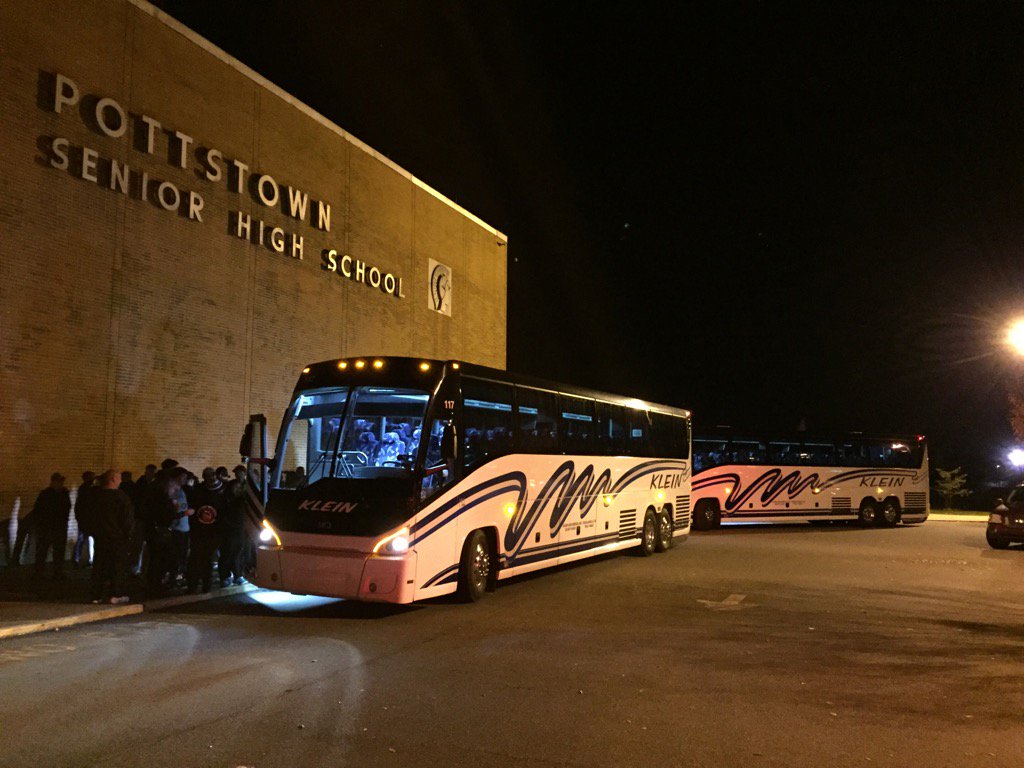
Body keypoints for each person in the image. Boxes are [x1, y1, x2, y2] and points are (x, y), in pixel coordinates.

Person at [90, 470, 134, 604]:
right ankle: (116, 593)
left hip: (100, 536)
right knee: (117, 565)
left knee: (99, 565)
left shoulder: (95, 496)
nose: (120, 481)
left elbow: (87, 515)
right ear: (113, 479)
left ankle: (96, 594)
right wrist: (128, 535)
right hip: (117, 537)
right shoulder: (121, 497)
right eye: (119, 479)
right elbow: (127, 519)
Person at [187, 467, 227, 593]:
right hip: (199, 530)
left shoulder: (223, 490)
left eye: (213, 475)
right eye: (208, 476)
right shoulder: (199, 490)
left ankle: (206, 586)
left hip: (214, 531)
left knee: (208, 560)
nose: (211, 478)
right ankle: (192, 585)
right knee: (195, 559)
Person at [143, 470, 182, 596]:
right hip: (160, 532)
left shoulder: (153, 494)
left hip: (155, 530)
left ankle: (154, 584)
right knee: (162, 559)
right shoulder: (163, 498)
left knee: (156, 559)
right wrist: (178, 513)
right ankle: (156, 585)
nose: (175, 490)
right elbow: (165, 516)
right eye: (173, 487)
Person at [31, 472, 72, 578]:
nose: (61, 484)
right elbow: (38, 510)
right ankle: (39, 572)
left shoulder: (63, 493)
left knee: (57, 550)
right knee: (43, 550)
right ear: (54, 482)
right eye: (59, 481)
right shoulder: (46, 494)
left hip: (58, 527)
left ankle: (57, 572)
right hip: (48, 527)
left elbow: (67, 508)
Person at [219, 465, 249, 585]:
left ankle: (237, 574)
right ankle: (225, 576)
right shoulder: (230, 486)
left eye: (240, 472)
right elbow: (226, 501)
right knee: (228, 550)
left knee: (239, 550)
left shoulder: (248, 486)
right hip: (231, 522)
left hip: (242, 522)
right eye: (237, 473)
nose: (238, 475)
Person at [128, 464, 158, 575]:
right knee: (138, 544)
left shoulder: (151, 484)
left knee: (146, 545)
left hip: (148, 518)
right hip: (141, 518)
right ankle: (135, 567)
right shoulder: (141, 484)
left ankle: (143, 568)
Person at [168, 467, 192, 586]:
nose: (185, 479)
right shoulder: (173, 491)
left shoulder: (181, 490)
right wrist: (184, 513)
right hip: (177, 529)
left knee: (182, 554)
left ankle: (179, 576)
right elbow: (173, 511)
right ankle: (174, 578)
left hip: (184, 527)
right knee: (175, 556)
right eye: (183, 477)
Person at [73, 471, 98, 568]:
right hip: (88, 519)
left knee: (82, 539)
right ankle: (83, 559)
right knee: (84, 539)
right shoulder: (89, 489)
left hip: (84, 519)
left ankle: (77, 559)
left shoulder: (83, 489)